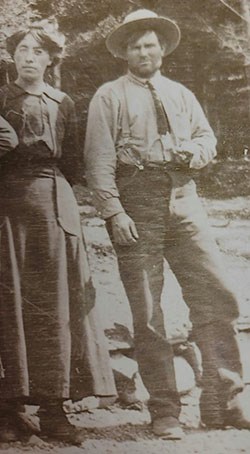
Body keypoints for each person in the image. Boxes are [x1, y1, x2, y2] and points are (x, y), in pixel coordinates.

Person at [84, 9, 250, 439]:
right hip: (137, 205)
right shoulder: (110, 96)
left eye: (151, 45)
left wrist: (194, 153)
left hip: (184, 198)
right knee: (149, 309)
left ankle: (224, 402)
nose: (144, 52)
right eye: (136, 46)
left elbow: (206, 138)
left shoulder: (180, 93)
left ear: (162, 50)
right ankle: (164, 410)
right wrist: (114, 212)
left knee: (216, 295)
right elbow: (98, 161)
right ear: (125, 53)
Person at [0, 25, 116, 445]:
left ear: (51, 59)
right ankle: (9, 409)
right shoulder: (1, 98)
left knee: (57, 305)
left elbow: (71, 162)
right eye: (21, 50)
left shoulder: (64, 102)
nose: (28, 57)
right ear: (13, 58)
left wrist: (61, 203)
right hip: (9, 209)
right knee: (11, 302)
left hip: (56, 207)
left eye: (37, 51)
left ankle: (54, 409)